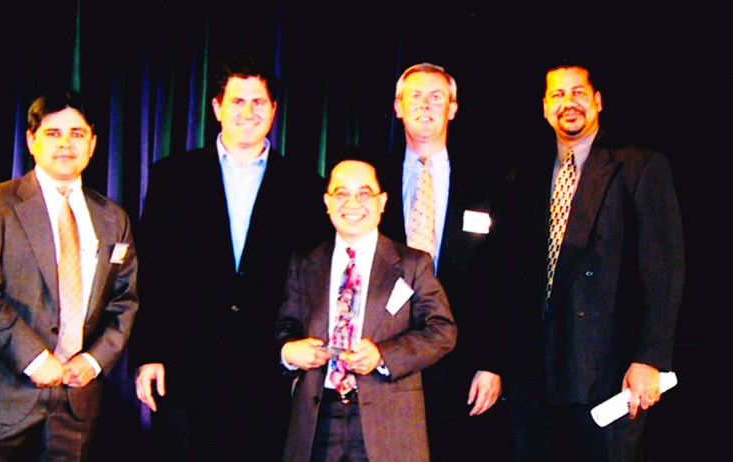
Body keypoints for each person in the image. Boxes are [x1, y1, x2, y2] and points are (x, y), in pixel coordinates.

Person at [131, 54, 328, 461]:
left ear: (274, 111)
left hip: (266, 373)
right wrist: (148, 354)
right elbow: (150, 272)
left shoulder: (305, 186)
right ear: (217, 107)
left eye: (259, 102)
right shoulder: (173, 176)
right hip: (185, 368)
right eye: (237, 101)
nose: (248, 112)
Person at [506, 61, 684, 461]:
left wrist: (649, 359)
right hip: (536, 380)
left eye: (579, 93)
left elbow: (664, 272)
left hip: (609, 376)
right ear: (545, 108)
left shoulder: (638, 165)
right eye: (558, 95)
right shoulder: (526, 175)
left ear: (598, 101)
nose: (569, 103)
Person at [0, 89, 139, 461]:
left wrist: (94, 360)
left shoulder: (113, 218)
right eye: (53, 133)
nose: (66, 144)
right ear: (31, 141)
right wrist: (35, 360)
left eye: (77, 133)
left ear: (93, 144)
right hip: (0, 398)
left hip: (77, 404)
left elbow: (124, 301)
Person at [276, 159, 457, 462]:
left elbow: (442, 330)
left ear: (382, 201)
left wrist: (383, 356)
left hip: (388, 422)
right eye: (341, 193)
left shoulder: (412, 263)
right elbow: (286, 327)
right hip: (316, 421)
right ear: (327, 202)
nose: (353, 203)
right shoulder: (304, 262)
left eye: (364, 193)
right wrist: (289, 352)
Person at [377, 63, 506, 460]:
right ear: (398, 106)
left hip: (464, 366)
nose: (426, 105)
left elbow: (501, 277)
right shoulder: (370, 178)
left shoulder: (489, 180)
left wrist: (491, 362)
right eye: (415, 95)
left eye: (437, 97)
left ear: (452, 108)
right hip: (383, 357)